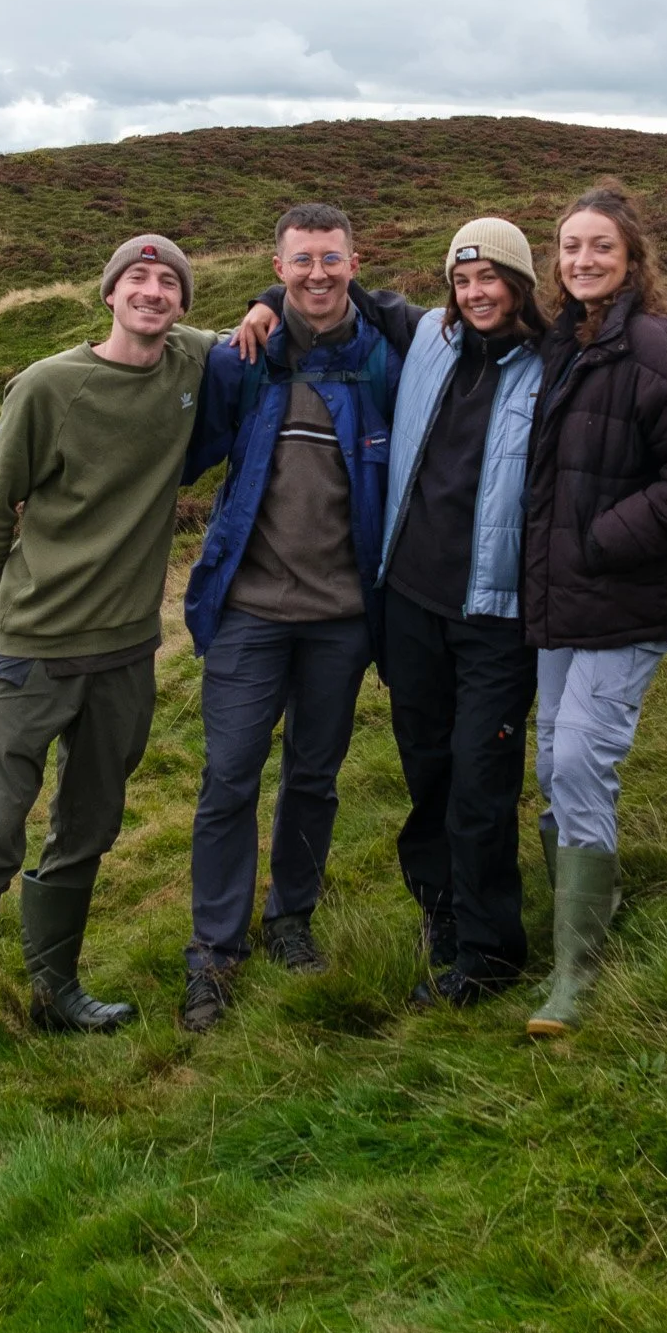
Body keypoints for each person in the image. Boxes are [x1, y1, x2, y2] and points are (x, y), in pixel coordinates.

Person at [0, 234, 213, 1099]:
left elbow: (258, 332)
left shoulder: (189, 368)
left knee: (88, 827)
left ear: (182, 303)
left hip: (126, 652)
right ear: (109, 293)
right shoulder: (48, 386)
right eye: (138, 278)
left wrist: (277, 305)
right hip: (32, 651)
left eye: (169, 282)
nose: (153, 292)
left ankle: (54, 991)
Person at [178, 202, 403, 1032]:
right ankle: (213, 954)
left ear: (355, 259)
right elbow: (184, 451)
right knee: (228, 781)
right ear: (277, 266)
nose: (316, 274)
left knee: (313, 777)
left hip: (343, 616)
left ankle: (291, 920)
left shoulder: (387, 356)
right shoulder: (243, 358)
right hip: (249, 612)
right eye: (300, 261)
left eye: (330, 259)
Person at [520, 183, 667, 1037]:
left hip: (624, 593)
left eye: (599, 247)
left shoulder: (651, 347)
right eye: (569, 248)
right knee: (552, 763)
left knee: (576, 760)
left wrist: (604, 538)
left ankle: (576, 972)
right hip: (560, 598)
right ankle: (579, 914)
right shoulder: (564, 344)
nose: (582, 261)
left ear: (631, 258)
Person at [378, 218, 548, 1006]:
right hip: (410, 600)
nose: (475, 294)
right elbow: (333, 294)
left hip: (495, 617)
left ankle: (490, 952)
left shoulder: (554, 366)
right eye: (461, 280)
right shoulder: (427, 341)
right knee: (428, 770)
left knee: (481, 781)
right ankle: (441, 912)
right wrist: (264, 299)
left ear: (520, 283)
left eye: (490, 279)